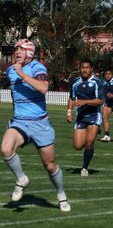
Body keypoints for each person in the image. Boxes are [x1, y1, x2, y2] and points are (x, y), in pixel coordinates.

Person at [1, 39, 71, 212]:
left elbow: (43, 87)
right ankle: (21, 179)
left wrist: (22, 74)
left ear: (29, 52)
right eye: (16, 49)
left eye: (21, 49)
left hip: (40, 124)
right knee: (5, 149)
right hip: (20, 122)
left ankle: (61, 194)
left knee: (50, 165)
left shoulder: (37, 67)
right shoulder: (10, 70)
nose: (17, 52)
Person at [67, 58, 104, 177]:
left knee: (89, 142)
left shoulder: (97, 82)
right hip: (81, 116)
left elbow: (100, 101)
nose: (85, 70)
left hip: (94, 115)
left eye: (87, 68)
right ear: (80, 69)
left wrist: (85, 102)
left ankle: (84, 168)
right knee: (77, 146)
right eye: (83, 68)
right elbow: (72, 98)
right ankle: (93, 132)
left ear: (91, 69)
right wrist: (69, 112)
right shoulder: (75, 82)